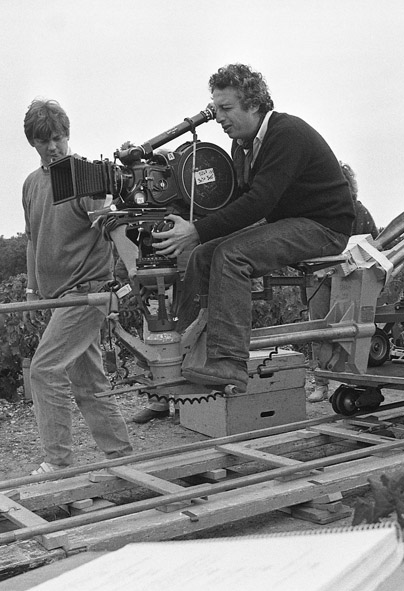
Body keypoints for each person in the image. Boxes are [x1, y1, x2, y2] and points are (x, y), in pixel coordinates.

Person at [152, 64, 355, 392]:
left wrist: (196, 229)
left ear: (255, 104)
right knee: (203, 255)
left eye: (226, 108)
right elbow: (237, 201)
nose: (218, 117)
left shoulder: (286, 134)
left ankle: (229, 363)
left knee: (231, 256)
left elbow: (259, 202)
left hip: (324, 227)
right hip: (289, 222)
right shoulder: (243, 145)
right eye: (216, 109)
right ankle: (179, 348)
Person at [23, 97, 133, 473]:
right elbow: (32, 239)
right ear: (32, 144)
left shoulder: (85, 178)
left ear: (67, 135)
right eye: (44, 141)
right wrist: (32, 291)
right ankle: (122, 458)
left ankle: (59, 463)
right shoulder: (31, 185)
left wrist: (135, 273)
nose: (53, 147)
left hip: (89, 290)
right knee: (88, 381)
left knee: (44, 369)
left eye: (58, 137)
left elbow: (111, 226)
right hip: (56, 296)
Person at [307, 162, 379, 403]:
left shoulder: (360, 213)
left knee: (353, 330)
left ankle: (355, 380)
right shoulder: (313, 212)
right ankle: (321, 382)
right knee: (318, 330)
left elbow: (374, 248)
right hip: (319, 280)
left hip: (349, 280)